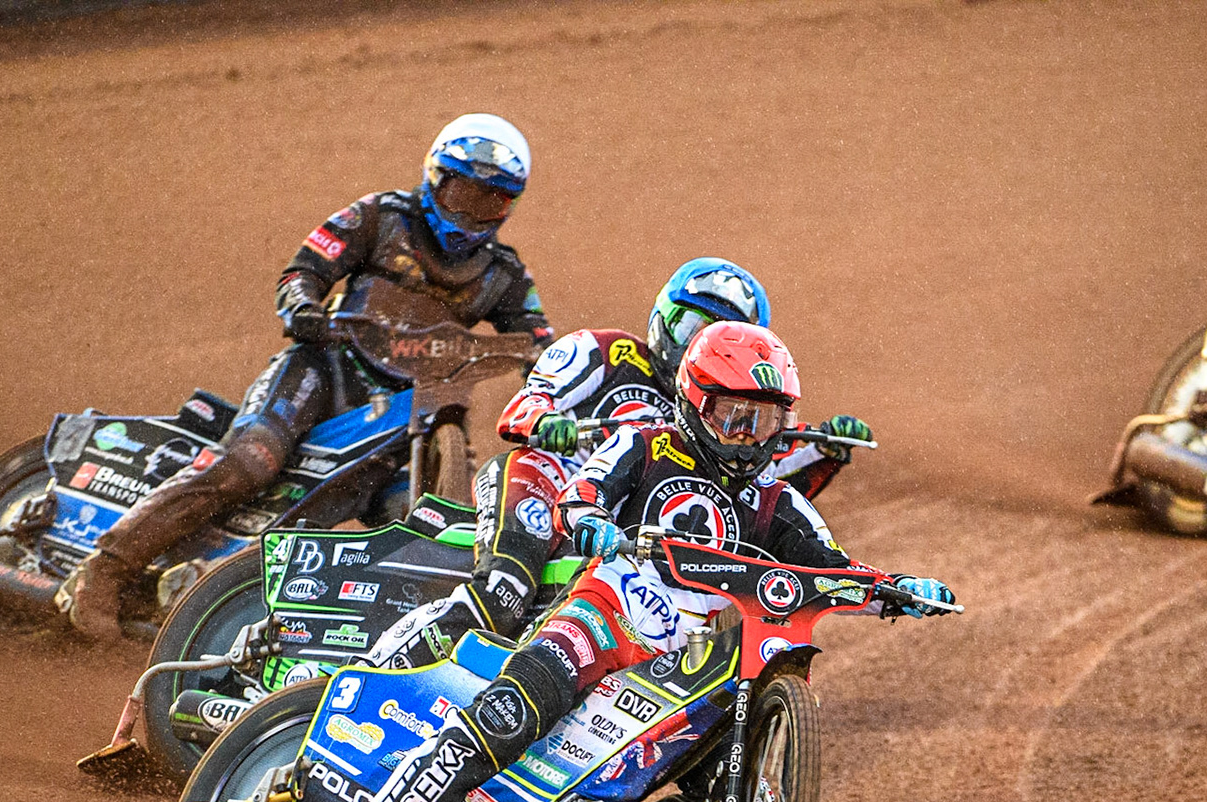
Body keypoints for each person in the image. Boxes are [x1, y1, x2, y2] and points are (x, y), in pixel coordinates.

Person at [322, 321, 953, 802]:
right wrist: (590, 521)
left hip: (677, 666)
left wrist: (901, 592)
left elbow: (835, 573)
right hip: (600, 618)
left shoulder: (778, 505)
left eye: (764, 422)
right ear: (695, 402)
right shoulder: (644, 444)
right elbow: (583, 492)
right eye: (734, 416)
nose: (748, 438)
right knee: (510, 712)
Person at [68, 113, 554, 641]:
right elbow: (304, 269)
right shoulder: (380, 216)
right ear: (437, 178)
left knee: (421, 522)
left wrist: (555, 381)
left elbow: (541, 339)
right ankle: (103, 572)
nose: (474, 212)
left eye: (492, 201)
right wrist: (302, 306)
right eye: (464, 193)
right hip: (325, 372)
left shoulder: (504, 273)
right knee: (251, 463)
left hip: (408, 413)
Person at [357, 258, 876, 668]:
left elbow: (751, 497)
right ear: (663, 317)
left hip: (627, 534)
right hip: (546, 481)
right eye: (694, 324)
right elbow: (524, 408)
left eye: (719, 333)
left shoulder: (716, 409)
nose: (701, 342)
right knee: (504, 592)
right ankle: (382, 667)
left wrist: (821, 455)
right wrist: (547, 424)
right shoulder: (599, 351)